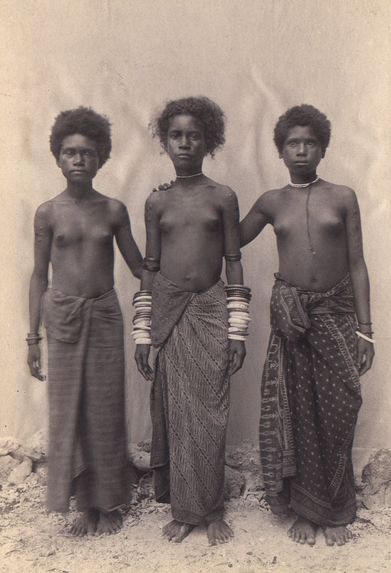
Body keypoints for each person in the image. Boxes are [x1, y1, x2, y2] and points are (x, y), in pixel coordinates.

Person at [240, 104, 374, 546]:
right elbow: (228, 239)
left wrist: (364, 328)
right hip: (292, 319)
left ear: (322, 148)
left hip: (336, 315)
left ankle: (335, 509)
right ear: (280, 151)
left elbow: (356, 264)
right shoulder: (271, 202)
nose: (301, 150)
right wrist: (192, 193)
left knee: (340, 408)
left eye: (309, 142)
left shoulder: (343, 197)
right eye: (292, 143)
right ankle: (304, 510)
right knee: (295, 413)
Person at [134, 96, 251, 545]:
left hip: (210, 309)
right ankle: (185, 511)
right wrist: (143, 332)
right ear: (165, 141)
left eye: (194, 135)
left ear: (210, 141)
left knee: (211, 414)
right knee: (179, 415)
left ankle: (214, 509)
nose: (185, 143)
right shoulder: (156, 201)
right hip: (169, 312)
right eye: (176, 135)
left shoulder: (222, 197)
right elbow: (149, 265)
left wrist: (237, 329)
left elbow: (234, 260)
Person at [27, 107, 143, 536]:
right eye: (70, 152)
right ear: (58, 157)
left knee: (105, 409)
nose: (79, 160)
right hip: (62, 318)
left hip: (104, 313)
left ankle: (109, 502)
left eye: (88, 153)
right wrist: (31, 337)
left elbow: (138, 266)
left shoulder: (113, 210)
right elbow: (40, 274)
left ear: (102, 158)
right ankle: (82, 505)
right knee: (68, 412)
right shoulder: (47, 213)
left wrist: (184, 268)